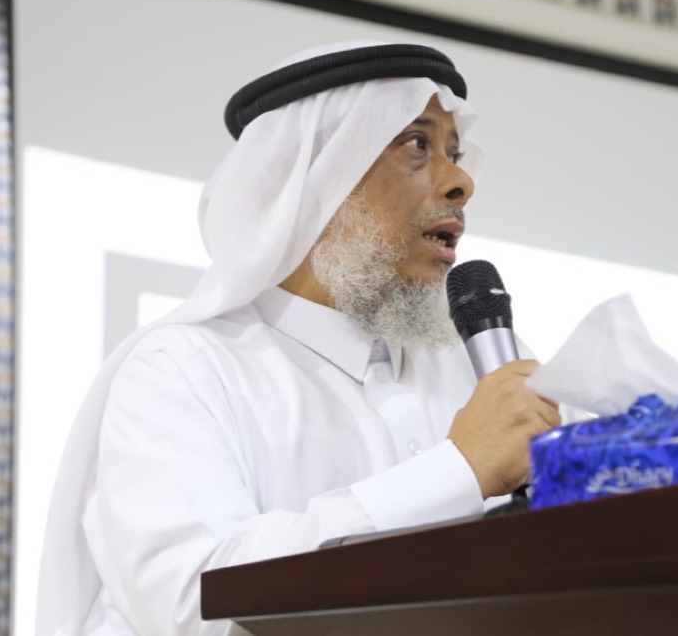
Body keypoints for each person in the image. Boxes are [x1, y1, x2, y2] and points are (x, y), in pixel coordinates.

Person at [35, 40, 562, 635]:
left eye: (454, 152)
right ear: (319, 177)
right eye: (417, 144)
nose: (461, 181)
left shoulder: (480, 368)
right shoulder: (184, 369)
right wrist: (459, 469)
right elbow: (197, 605)